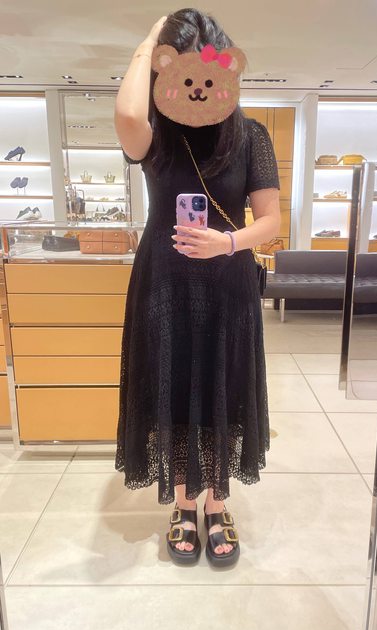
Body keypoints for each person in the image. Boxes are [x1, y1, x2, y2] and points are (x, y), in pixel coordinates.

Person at [114, 8, 281, 568]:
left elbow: (271, 222)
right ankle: (184, 505)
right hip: (164, 287)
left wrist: (227, 243)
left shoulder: (250, 136)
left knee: (223, 390)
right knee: (175, 389)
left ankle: (217, 505)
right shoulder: (155, 135)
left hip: (228, 286)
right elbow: (127, 112)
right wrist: (148, 38)